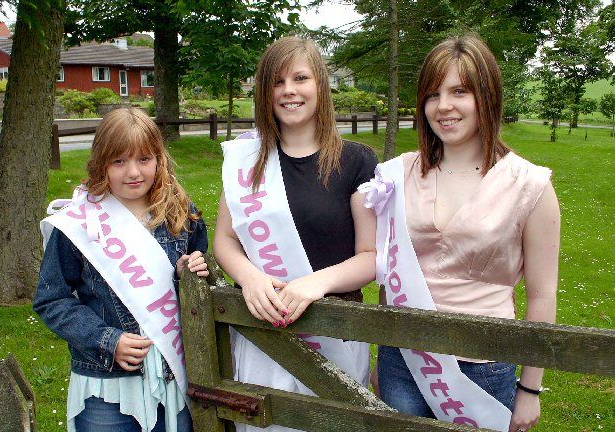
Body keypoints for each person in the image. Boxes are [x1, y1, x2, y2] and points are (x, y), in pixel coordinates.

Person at [364, 35, 560, 432]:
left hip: (482, 369)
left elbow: (542, 296)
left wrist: (530, 390)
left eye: (460, 91)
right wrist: (383, 354)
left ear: (487, 96)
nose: (444, 106)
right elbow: (391, 272)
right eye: (433, 94)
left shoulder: (530, 186)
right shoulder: (398, 173)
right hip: (403, 360)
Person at [213, 36, 378, 432]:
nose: (289, 90)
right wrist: (250, 278)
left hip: (335, 332)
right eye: (277, 81)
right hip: (263, 333)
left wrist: (312, 284)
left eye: (300, 78)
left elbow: (371, 256)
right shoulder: (247, 160)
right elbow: (225, 239)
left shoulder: (357, 160)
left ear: (320, 84)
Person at [34, 108, 209, 432]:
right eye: (119, 161)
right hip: (107, 385)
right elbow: (52, 299)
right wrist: (106, 340)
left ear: (159, 159)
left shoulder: (181, 214)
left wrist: (193, 272)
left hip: (174, 376)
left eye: (144, 159)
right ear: (102, 162)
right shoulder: (78, 223)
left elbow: (206, 281)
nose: (133, 172)